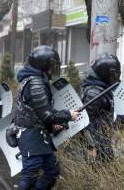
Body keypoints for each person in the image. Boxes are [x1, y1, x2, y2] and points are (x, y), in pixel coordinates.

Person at [12, 45, 79, 190]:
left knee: (51, 171)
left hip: (38, 134)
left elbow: (40, 111)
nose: (54, 68)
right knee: (30, 175)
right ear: (44, 65)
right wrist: (68, 115)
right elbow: (46, 114)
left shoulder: (35, 79)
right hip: (30, 134)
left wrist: (55, 124)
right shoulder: (35, 82)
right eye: (52, 65)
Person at [81, 53, 124, 162]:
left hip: (102, 140)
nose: (115, 78)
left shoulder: (102, 89)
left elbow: (104, 115)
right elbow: (85, 122)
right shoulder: (94, 92)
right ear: (105, 73)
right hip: (96, 144)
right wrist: (90, 147)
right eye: (113, 75)